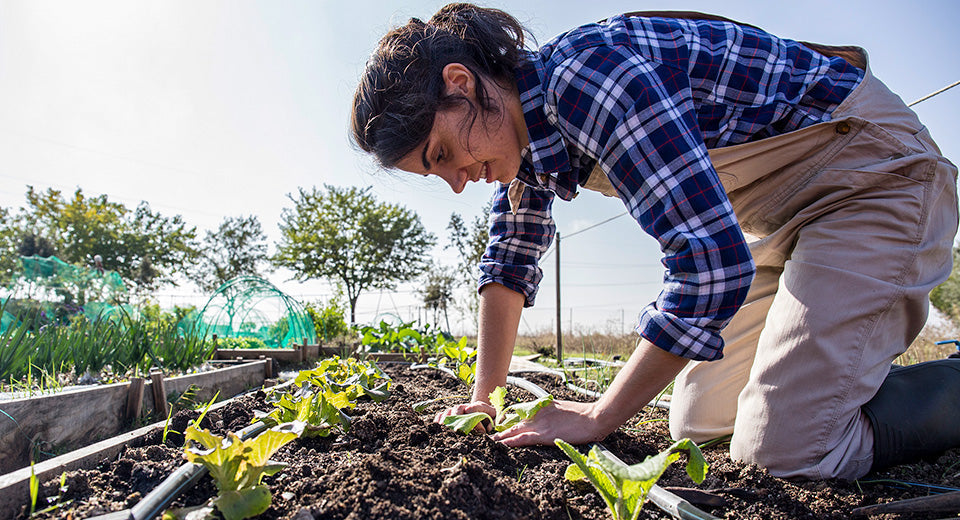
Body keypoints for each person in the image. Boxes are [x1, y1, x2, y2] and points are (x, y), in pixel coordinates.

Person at [351, 4, 960, 481]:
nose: (458, 180)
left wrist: (599, 416)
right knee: (699, 423)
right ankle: (833, 377)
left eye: (443, 154)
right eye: (437, 175)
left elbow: (710, 263)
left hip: (877, 180)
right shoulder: (529, 143)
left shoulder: (589, 81)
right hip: (788, 226)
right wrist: (485, 399)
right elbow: (509, 262)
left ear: (463, 84)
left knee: (787, 449)